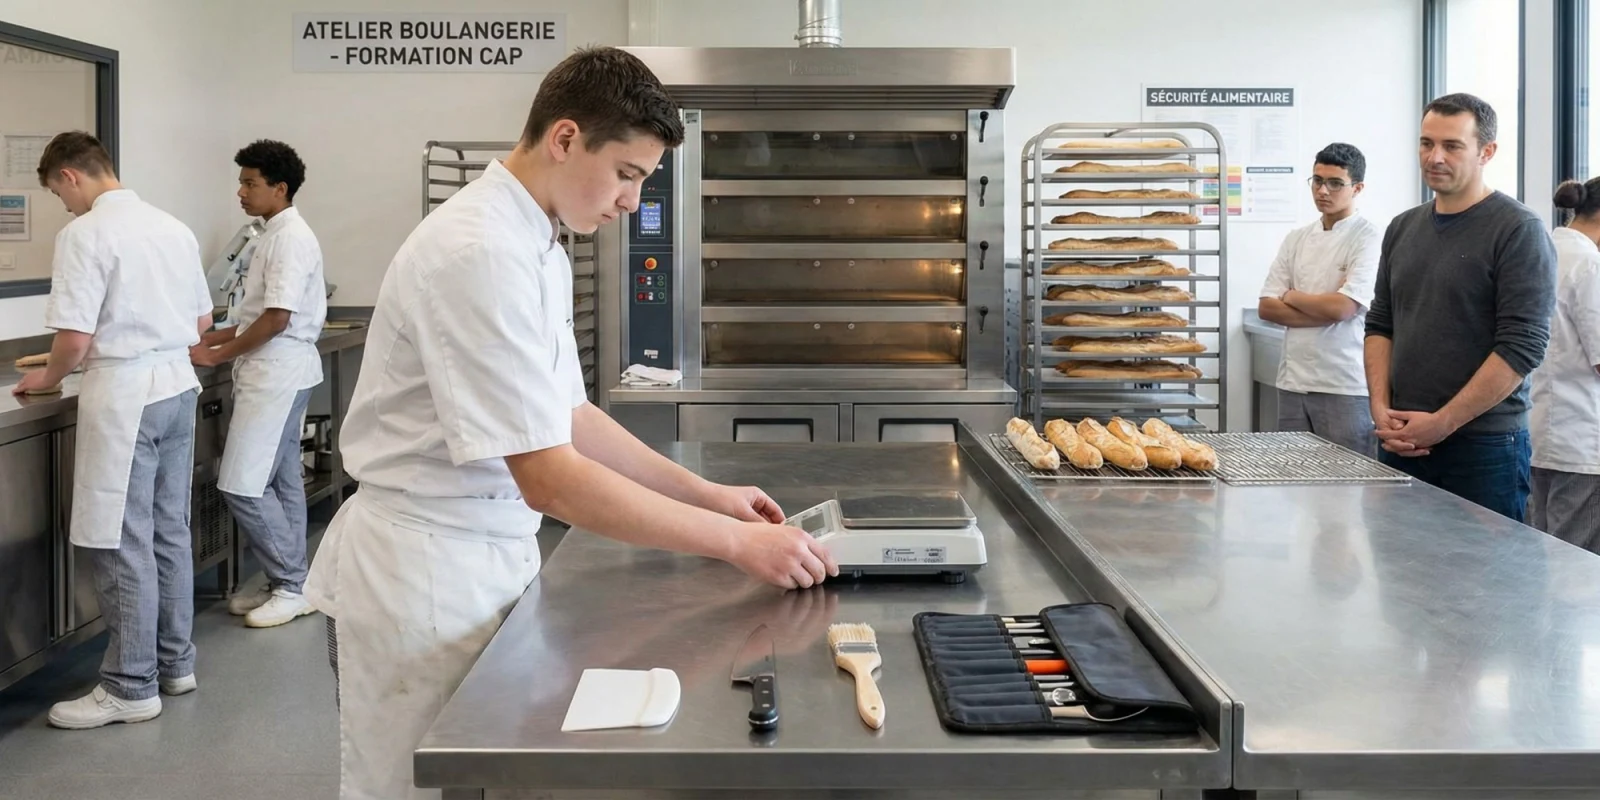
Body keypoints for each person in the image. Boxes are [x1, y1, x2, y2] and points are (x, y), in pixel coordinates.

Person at [301, 47, 837, 799]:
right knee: (412, 785)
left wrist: (708, 495)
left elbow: (570, 415)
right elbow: (550, 480)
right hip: (423, 575)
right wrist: (737, 544)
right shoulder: (478, 251)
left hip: (486, 559)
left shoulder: (537, 244)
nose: (633, 201)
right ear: (564, 138)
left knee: (494, 773)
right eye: (626, 174)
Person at [14, 132, 213, 728]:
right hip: (177, 388)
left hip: (128, 397)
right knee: (168, 530)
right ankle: (174, 664)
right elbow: (203, 320)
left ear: (70, 176)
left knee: (122, 539)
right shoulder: (173, 227)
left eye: (59, 194)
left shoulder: (86, 233)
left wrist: (46, 378)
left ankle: (130, 684)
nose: (64, 206)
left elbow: (73, 340)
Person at [1364, 93, 1557, 522]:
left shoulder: (1518, 229)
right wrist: (1379, 407)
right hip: (1400, 437)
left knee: (1482, 567)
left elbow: (1522, 347)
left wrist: (1443, 423)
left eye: (1452, 146)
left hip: (1484, 447)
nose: (1434, 157)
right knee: (1399, 562)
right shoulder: (1402, 227)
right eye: (1426, 143)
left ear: (1486, 152)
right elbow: (1380, 323)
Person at [190, 140, 327, 628]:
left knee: (242, 485)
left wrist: (215, 354)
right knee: (284, 480)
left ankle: (291, 584)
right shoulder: (271, 234)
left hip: (277, 373)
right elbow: (254, 316)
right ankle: (292, 581)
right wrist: (207, 337)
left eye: (250, 183)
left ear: (279, 188)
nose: (241, 192)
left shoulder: (289, 239)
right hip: (277, 371)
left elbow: (276, 319)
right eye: (241, 182)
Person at [1257, 143, 1383, 456]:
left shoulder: (1367, 237)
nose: (1323, 191)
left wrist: (1291, 295)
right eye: (1317, 180)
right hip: (1293, 381)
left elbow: (1343, 308)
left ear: (1357, 188)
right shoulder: (1296, 238)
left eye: (1335, 183)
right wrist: (1325, 308)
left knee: (1348, 480)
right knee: (1293, 478)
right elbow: (1267, 307)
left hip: (1344, 382)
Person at [1528, 178, 1600, 550]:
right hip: (1580, 439)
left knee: (1540, 554)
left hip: (1535, 432)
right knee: (1577, 563)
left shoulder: (1539, 251)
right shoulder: (1589, 263)